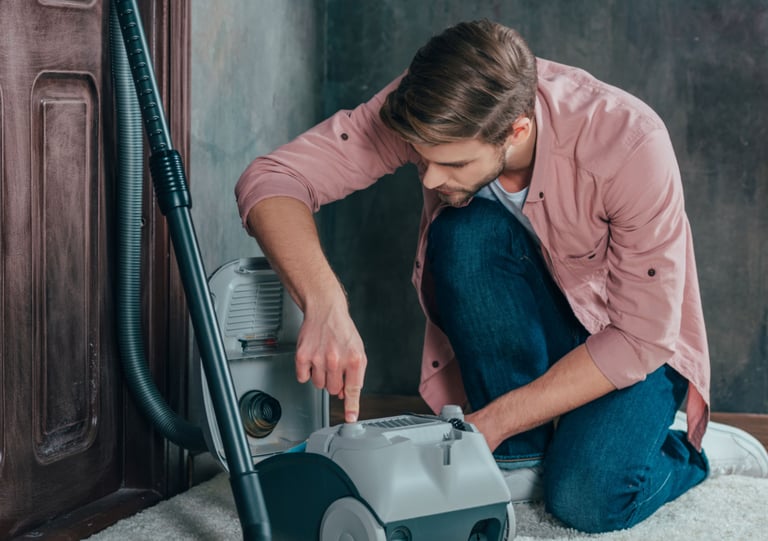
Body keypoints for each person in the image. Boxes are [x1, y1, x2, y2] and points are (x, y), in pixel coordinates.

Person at [235, 19, 768, 533]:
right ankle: (523, 454)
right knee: (462, 229)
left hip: (631, 342)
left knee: (587, 500)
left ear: (516, 130)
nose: (429, 177)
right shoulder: (430, 106)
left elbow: (640, 337)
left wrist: (487, 423)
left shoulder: (628, 141)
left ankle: (692, 450)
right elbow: (274, 178)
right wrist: (326, 302)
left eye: (453, 164)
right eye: (421, 160)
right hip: (540, 323)